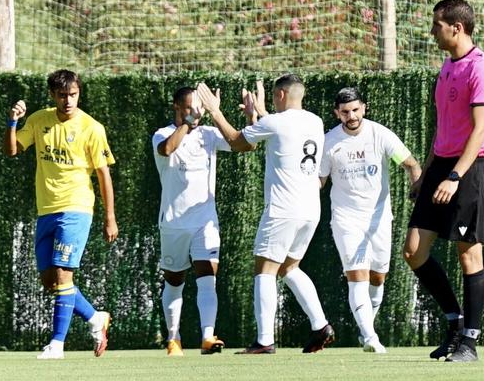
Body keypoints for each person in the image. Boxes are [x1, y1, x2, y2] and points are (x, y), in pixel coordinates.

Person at [198, 75, 332, 354]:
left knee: (265, 270)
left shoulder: (274, 122)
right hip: (310, 209)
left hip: (284, 209)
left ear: (281, 95)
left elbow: (238, 143)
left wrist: (215, 111)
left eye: (272, 96)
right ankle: (320, 326)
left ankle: (264, 340)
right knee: (289, 268)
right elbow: (279, 133)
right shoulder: (314, 121)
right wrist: (258, 114)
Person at [402, 0, 484, 362]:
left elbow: (479, 130)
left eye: (437, 26)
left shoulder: (481, 68)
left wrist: (456, 176)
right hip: (441, 167)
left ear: (456, 28)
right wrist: (427, 174)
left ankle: (470, 342)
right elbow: (443, 128)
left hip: (470, 169)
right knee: (414, 251)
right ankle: (455, 323)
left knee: (468, 254)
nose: (432, 32)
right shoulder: (447, 66)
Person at [4, 69, 117, 359]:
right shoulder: (40, 119)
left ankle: (57, 345)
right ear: (53, 95)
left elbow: (104, 175)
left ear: (79, 94)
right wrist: (12, 121)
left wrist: (110, 218)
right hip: (46, 210)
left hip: (77, 208)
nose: (68, 101)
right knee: (50, 282)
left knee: (64, 275)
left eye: (73, 94)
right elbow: (13, 149)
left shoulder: (92, 128)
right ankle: (95, 318)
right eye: (63, 95)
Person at [320, 87, 419, 354]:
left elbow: (411, 163)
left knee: (378, 277)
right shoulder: (329, 142)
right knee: (357, 276)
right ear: (336, 113)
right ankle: (371, 336)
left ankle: (367, 332)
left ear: (364, 107)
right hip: (346, 218)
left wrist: (417, 191)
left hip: (379, 218)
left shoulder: (380, 134)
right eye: (345, 112)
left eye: (355, 110)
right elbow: (319, 181)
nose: (351, 116)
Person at [151, 83, 226, 355]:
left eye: (199, 108)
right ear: (177, 107)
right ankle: (174, 338)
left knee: (208, 277)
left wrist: (251, 119)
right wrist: (188, 124)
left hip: (205, 221)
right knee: (175, 280)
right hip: (173, 223)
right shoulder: (163, 133)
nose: (196, 113)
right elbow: (167, 149)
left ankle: (208, 337)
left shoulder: (209, 134)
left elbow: (243, 144)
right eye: (190, 108)